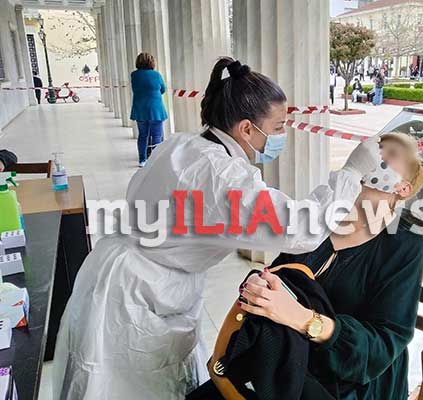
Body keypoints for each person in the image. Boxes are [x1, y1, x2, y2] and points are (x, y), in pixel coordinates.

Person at [52, 57, 381, 400]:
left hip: (130, 272)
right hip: (138, 292)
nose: (281, 136)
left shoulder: (183, 145)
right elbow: (299, 229)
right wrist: (351, 174)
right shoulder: (220, 175)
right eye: (278, 127)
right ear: (247, 129)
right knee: (127, 387)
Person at [213, 132, 423, 400]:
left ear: (402, 188)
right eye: (377, 148)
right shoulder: (323, 218)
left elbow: (383, 345)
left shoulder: (404, 246)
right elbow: (282, 274)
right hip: (285, 357)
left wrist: (304, 319)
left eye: (390, 154)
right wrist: (262, 286)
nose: (377, 155)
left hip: (352, 380)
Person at [130, 52, 168, 168]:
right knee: (157, 136)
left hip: (140, 110)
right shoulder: (156, 75)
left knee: (143, 135)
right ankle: (156, 160)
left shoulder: (134, 75)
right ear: (152, 62)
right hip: (156, 110)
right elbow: (163, 89)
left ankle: (142, 160)